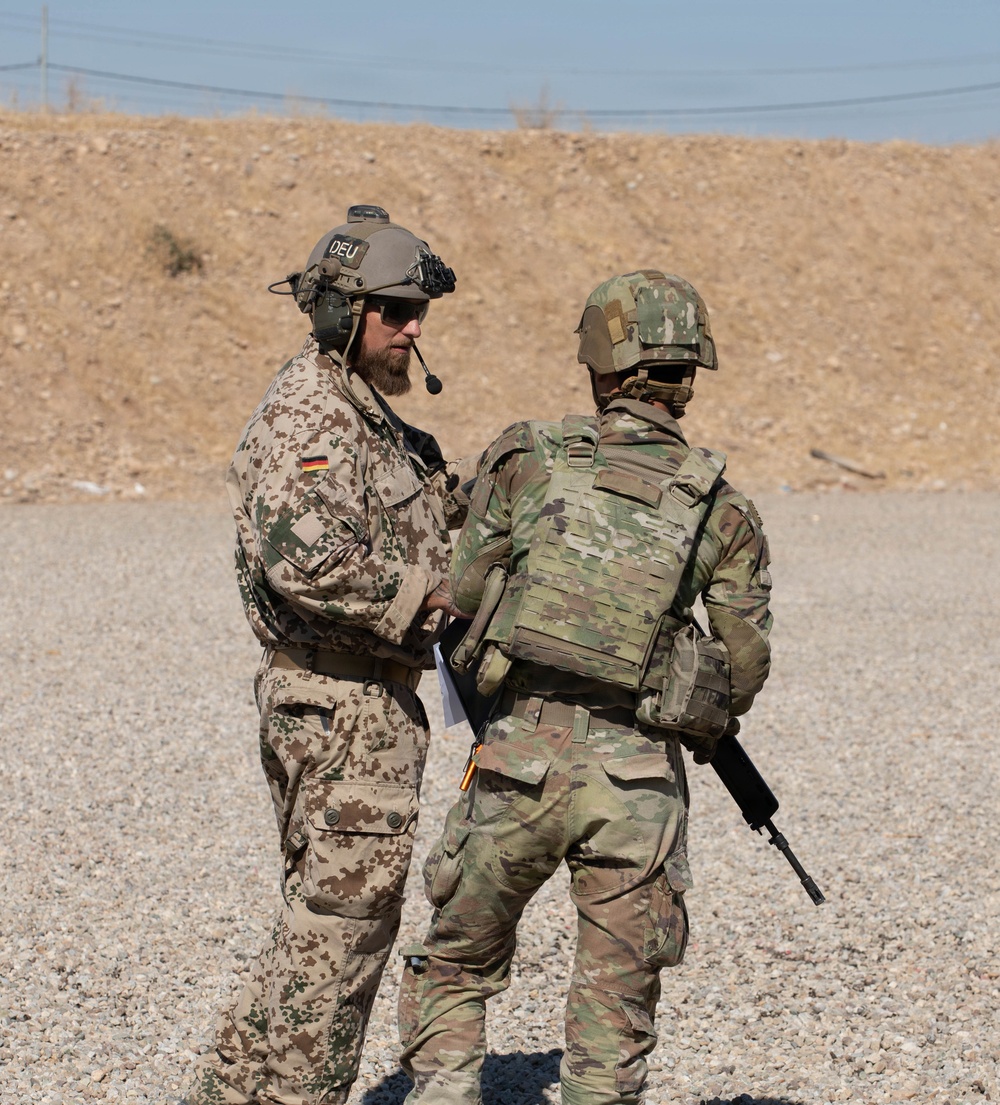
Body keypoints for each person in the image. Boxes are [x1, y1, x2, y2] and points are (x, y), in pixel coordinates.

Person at [397, 271, 774, 1105]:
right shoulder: (723, 507)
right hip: (640, 782)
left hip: (517, 759)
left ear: (598, 363)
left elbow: (460, 596)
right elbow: (742, 666)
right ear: (692, 371)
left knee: (458, 959)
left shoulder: (528, 457)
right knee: (615, 996)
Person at [184, 205, 479, 1105]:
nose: (413, 328)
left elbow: (427, 522)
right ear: (346, 312)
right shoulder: (313, 415)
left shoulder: (373, 421)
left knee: (315, 928)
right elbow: (308, 557)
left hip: (361, 706)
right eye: (396, 310)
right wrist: (429, 602)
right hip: (340, 705)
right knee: (342, 942)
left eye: (417, 310)